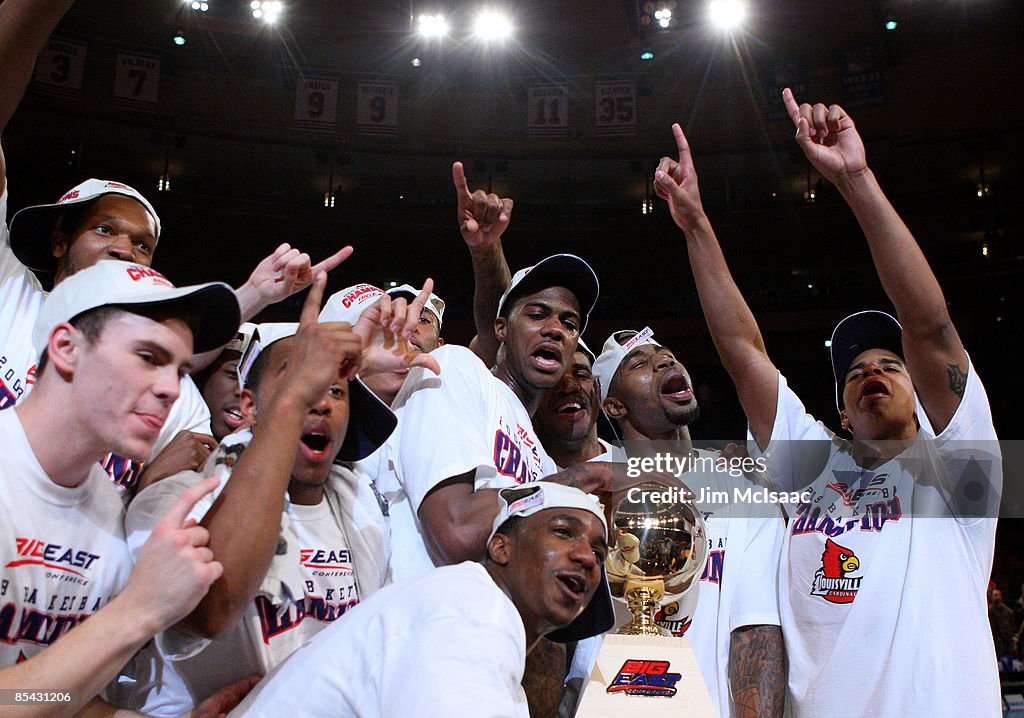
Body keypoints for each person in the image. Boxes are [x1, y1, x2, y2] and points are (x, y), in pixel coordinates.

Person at [653, 89, 1001, 716]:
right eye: (856, 373)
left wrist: (856, 180)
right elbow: (743, 351)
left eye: (889, 366)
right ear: (840, 414)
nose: (872, 373)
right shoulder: (811, 469)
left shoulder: (959, 470)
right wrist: (697, 225)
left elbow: (929, 327)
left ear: (923, 396)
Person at [0, 0, 351, 495]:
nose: (124, 248)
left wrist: (152, 481)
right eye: (105, 230)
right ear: (59, 241)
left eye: (142, 244)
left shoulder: (174, 399)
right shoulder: (9, 291)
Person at [125, 277, 435, 716]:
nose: (320, 400)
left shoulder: (361, 506)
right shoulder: (172, 500)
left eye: (334, 391)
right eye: (298, 381)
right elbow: (211, 611)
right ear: (248, 406)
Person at [0, 258, 242, 715]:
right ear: (67, 348)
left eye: (181, 370)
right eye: (149, 357)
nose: (172, 389)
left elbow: (51, 697)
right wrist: (138, 610)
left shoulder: (109, 513)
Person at [229, 481, 614, 718]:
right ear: (500, 547)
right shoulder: (472, 610)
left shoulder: (479, 615)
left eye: (599, 553)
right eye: (564, 532)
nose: (586, 557)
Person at [377, 253, 614, 583]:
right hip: (424, 622)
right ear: (501, 327)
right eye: (536, 315)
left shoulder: (543, 462)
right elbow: (457, 533)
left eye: (569, 324)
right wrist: (585, 476)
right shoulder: (457, 368)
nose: (555, 330)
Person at [592, 327, 785, 718]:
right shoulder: (594, 486)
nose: (664, 360)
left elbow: (756, 632)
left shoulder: (741, 483)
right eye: (639, 363)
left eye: (666, 353)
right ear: (614, 406)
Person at [532, 339, 614, 468]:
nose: (569, 387)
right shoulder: (514, 476)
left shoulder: (638, 470)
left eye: (581, 375)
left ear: (598, 392)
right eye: (554, 377)